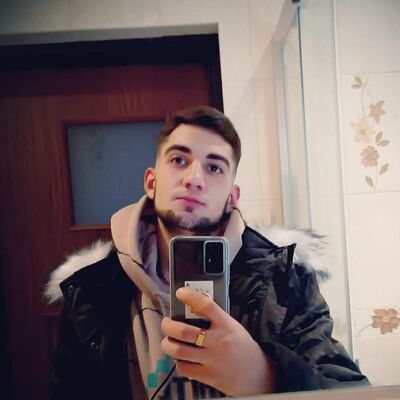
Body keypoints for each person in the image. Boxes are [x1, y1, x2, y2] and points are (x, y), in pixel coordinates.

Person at [45, 106, 368, 400]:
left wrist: (267, 377)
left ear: (232, 198)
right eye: (179, 160)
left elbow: (350, 391)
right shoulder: (91, 292)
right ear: (151, 182)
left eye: (214, 168)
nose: (194, 179)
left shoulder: (284, 280)